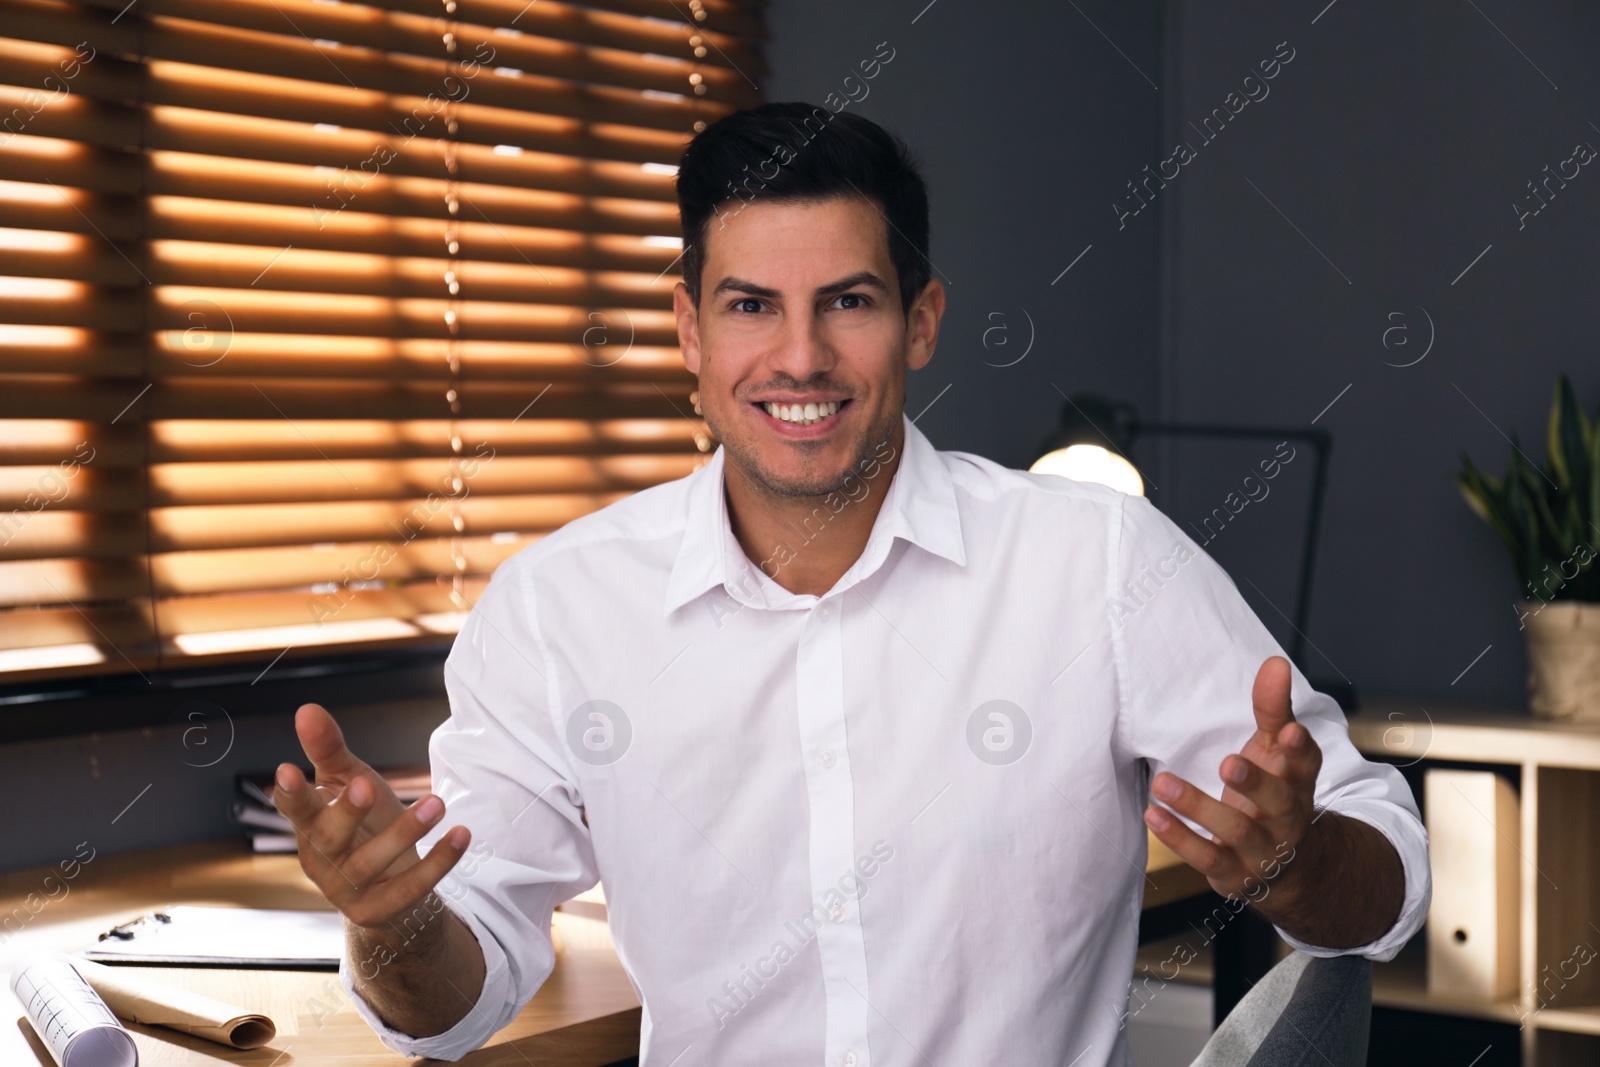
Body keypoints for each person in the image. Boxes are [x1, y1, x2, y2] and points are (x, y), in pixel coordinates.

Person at [274, 102, 1428, 1066]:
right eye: (749, 306)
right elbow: (452, 1002)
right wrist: (392, 921)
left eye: (849, 300)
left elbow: (1384, 882)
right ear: (687, 329)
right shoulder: (555, 609)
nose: (800, 357)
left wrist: (1296, 861)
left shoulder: (1099, 561)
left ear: (920, 321)